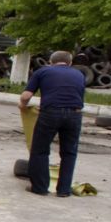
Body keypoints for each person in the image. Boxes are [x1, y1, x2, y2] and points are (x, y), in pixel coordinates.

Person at [19, 50, 85, 197]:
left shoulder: (43, 72)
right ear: (70, 63)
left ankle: (40, 188)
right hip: (75, 114)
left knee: (40, 150)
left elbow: (26, 96)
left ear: (50, 61)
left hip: (50, 113)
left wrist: (23, 106)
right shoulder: (79, 74)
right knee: (69, 153)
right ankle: (64, 190)